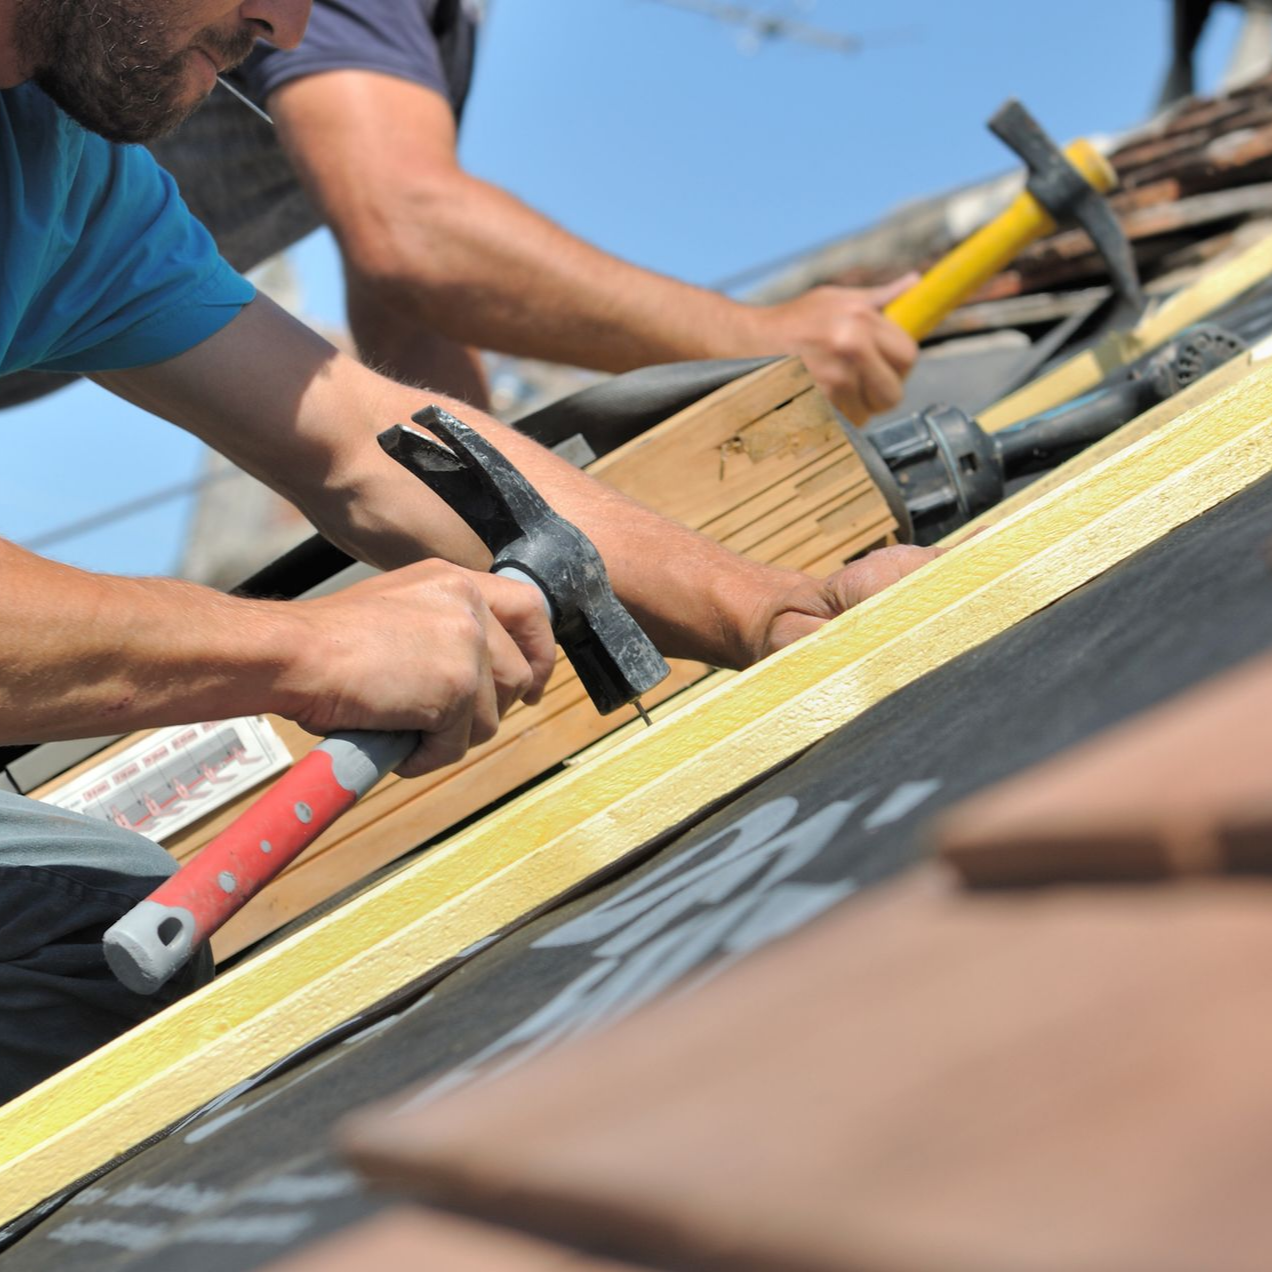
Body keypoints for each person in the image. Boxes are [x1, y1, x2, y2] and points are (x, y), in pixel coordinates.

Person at [0, 0, 936, 1101]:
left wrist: (772, 611)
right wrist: (303, 648)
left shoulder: (70, 187)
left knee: (95, 952)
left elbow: (364, 443)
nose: (291, 26)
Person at [149, 0, 919, 424]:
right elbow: (412, 230)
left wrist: (513, 520)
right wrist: (761, 342)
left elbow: (407, 318)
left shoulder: (436, 31)